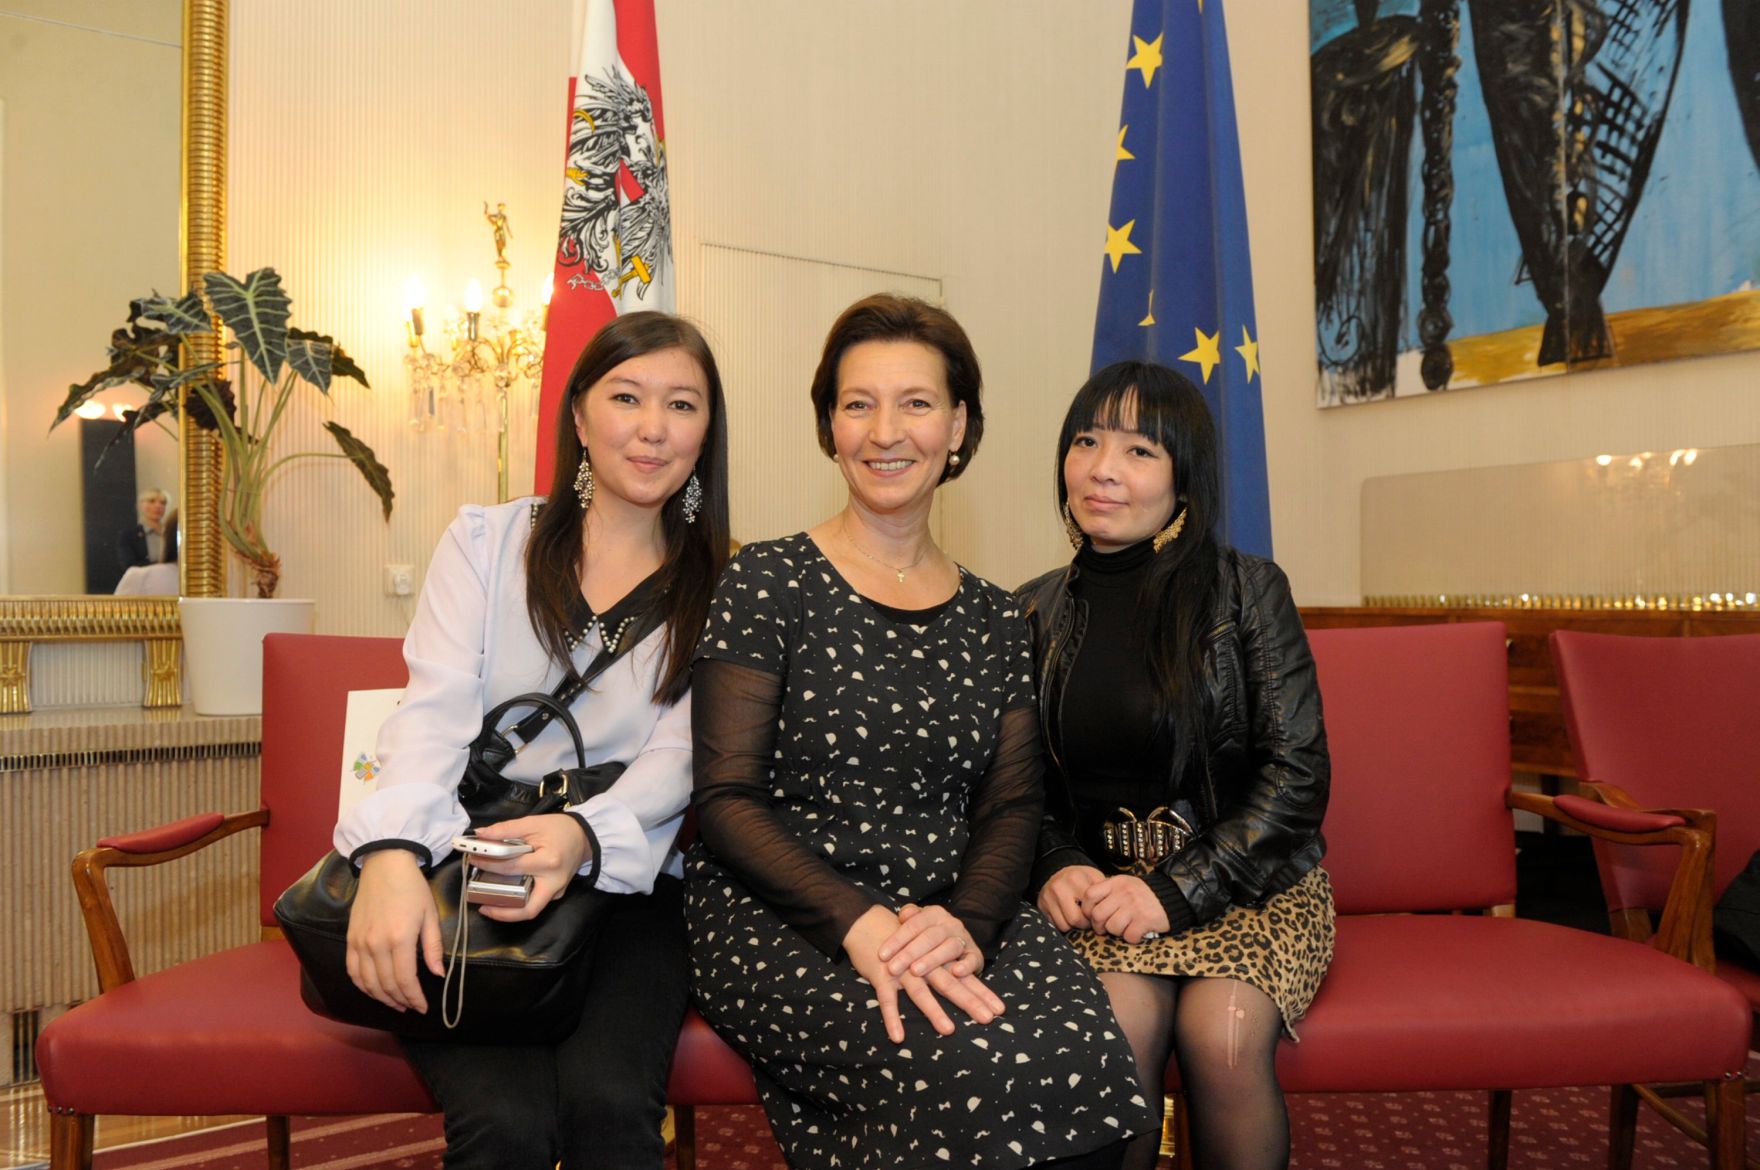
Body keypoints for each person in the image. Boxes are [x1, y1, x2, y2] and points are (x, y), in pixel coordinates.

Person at [687, 295, 1154, 1170]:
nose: (884, 430)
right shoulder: (768, 579)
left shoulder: (995, 615)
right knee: (962, 1069)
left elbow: (1014, 804)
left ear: (958, 424)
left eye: (916, 402)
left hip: (955, 904)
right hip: (784, 911)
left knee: (1097, 1067)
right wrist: (858, 921)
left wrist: (968, 922)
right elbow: (726, 800)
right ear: (829, 425)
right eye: (858, 403)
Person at [335, 312, 730, 1170]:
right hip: (466, 870)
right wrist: (395, 856)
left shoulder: (728, 583)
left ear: (707, 432)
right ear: (581, 417)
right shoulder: (487, 542)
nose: (653, 427)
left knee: (612, 1111)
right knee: (505, 1128)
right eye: (626, 397)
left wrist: (582, 835)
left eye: (682, 405)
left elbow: (684, 753)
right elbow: (433, 711)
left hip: (630, 888)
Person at [1018, 361, 1334, 1170]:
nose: (1102, 469)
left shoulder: (1247, 592)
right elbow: (1014, 781)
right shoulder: (1027, 608)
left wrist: (1175, 891)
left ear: (1184, 477)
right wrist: (1053, 861)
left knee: (1223, 1040)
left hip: (1250, 887)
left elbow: (1296, 777)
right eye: (1087, 441)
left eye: (1139, 451)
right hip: (1104, 899)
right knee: (1114, 1039)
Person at [117, 488, 176, 572]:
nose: (158, 506)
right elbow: (129, 566)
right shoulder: (128, 535)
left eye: (163, 503)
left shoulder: (173, 533)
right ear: (141, 505)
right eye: (152, 501)